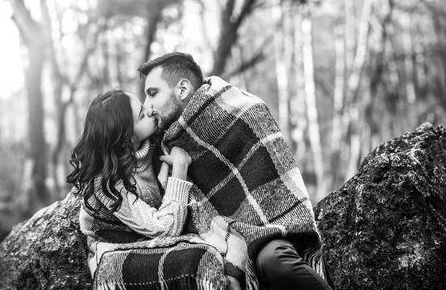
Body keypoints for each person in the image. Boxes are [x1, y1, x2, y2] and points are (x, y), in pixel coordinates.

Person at [138, 52, 333, 290]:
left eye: (153, 93)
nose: (147, 105)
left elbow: (279, 192)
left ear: (182, 89)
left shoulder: (245, 111)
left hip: (270, 230)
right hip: (215, 246)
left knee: (273, 262)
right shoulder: (165, 147)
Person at [67, 89, 229, 290]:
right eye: (142, 115)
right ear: (127, 137)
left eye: (142, 104)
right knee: (201, 259)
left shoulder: (155, 143)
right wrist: (179, 169)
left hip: (151, 239)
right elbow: (165, 229)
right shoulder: (106, 182)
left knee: (225, 246)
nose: (150, 109)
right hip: (114, 252)